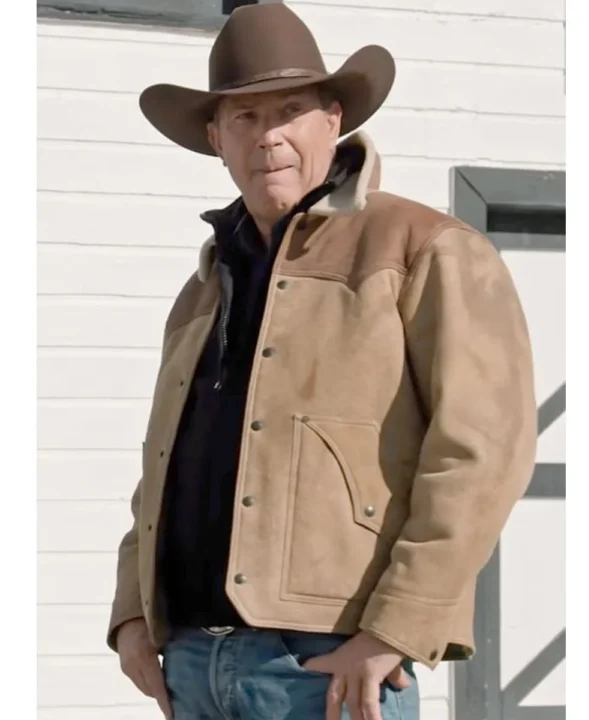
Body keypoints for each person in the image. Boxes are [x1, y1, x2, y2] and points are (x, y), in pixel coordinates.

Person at [107, 4, 537, 720]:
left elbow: (484, 451)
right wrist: (131, 613)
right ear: (216, 138)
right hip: (190, 665)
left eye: (290, 111)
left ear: (333, 120)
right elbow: (161, 465)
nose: (268, 136)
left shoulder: (424, 248)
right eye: (245, 117)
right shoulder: (204, 285)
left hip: (328, 664)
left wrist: (399, 626)